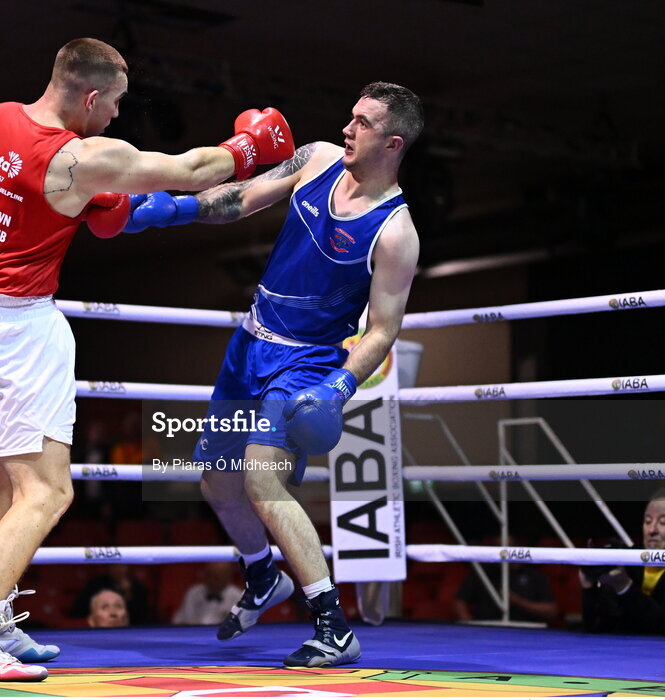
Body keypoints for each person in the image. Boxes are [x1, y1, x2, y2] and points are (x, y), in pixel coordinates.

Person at [0, 37, 295, 683]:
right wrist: (255, 146)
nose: (118, 118)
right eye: (117, 104)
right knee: (48, 492)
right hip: (14, 327)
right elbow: (192, 171)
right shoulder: (81, 157)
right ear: (92, 95)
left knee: (6, 482)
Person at [122, 82, 423, 667]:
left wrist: (339, 385)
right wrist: (177, 209)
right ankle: (263, 575)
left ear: (392, 142)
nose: (347, 128)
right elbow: (241, 198)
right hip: (249, 346)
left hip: (307, 364)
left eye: (361, 123)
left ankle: (333, 625)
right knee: (216, 481)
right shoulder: (316, 160)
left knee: (262, 482)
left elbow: (383, 330)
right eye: (350, 116)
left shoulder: (396, 232)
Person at [581, 487, 665, 636]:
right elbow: (598, 626)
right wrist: (589, 587)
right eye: (647, 521)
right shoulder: (629, 559)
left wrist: (624, 587)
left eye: (663, 522)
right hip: (623, 655)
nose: (652, 529)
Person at [453, 561, 558, 624]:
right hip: (484, 629)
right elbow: (460, 601)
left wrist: (518, 601)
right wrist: (469, 625)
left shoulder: (534, 576)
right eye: (498, 546)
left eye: (508, 547)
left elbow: (550, 611)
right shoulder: (483, 573)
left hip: (525, 631)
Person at [70, 563, 151, 624]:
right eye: (104, 607)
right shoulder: (95, 585)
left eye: (122, 565)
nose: (113, 613)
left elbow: (141, 618)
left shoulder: (138, 589)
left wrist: (128, 595)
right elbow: (78, 611)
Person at [172, 560, 243, 626]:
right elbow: (179, 621)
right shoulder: (193, 593)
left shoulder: (238, 598)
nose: (212, 580)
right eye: (208, 575)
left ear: (228, 576)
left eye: (216, 577)